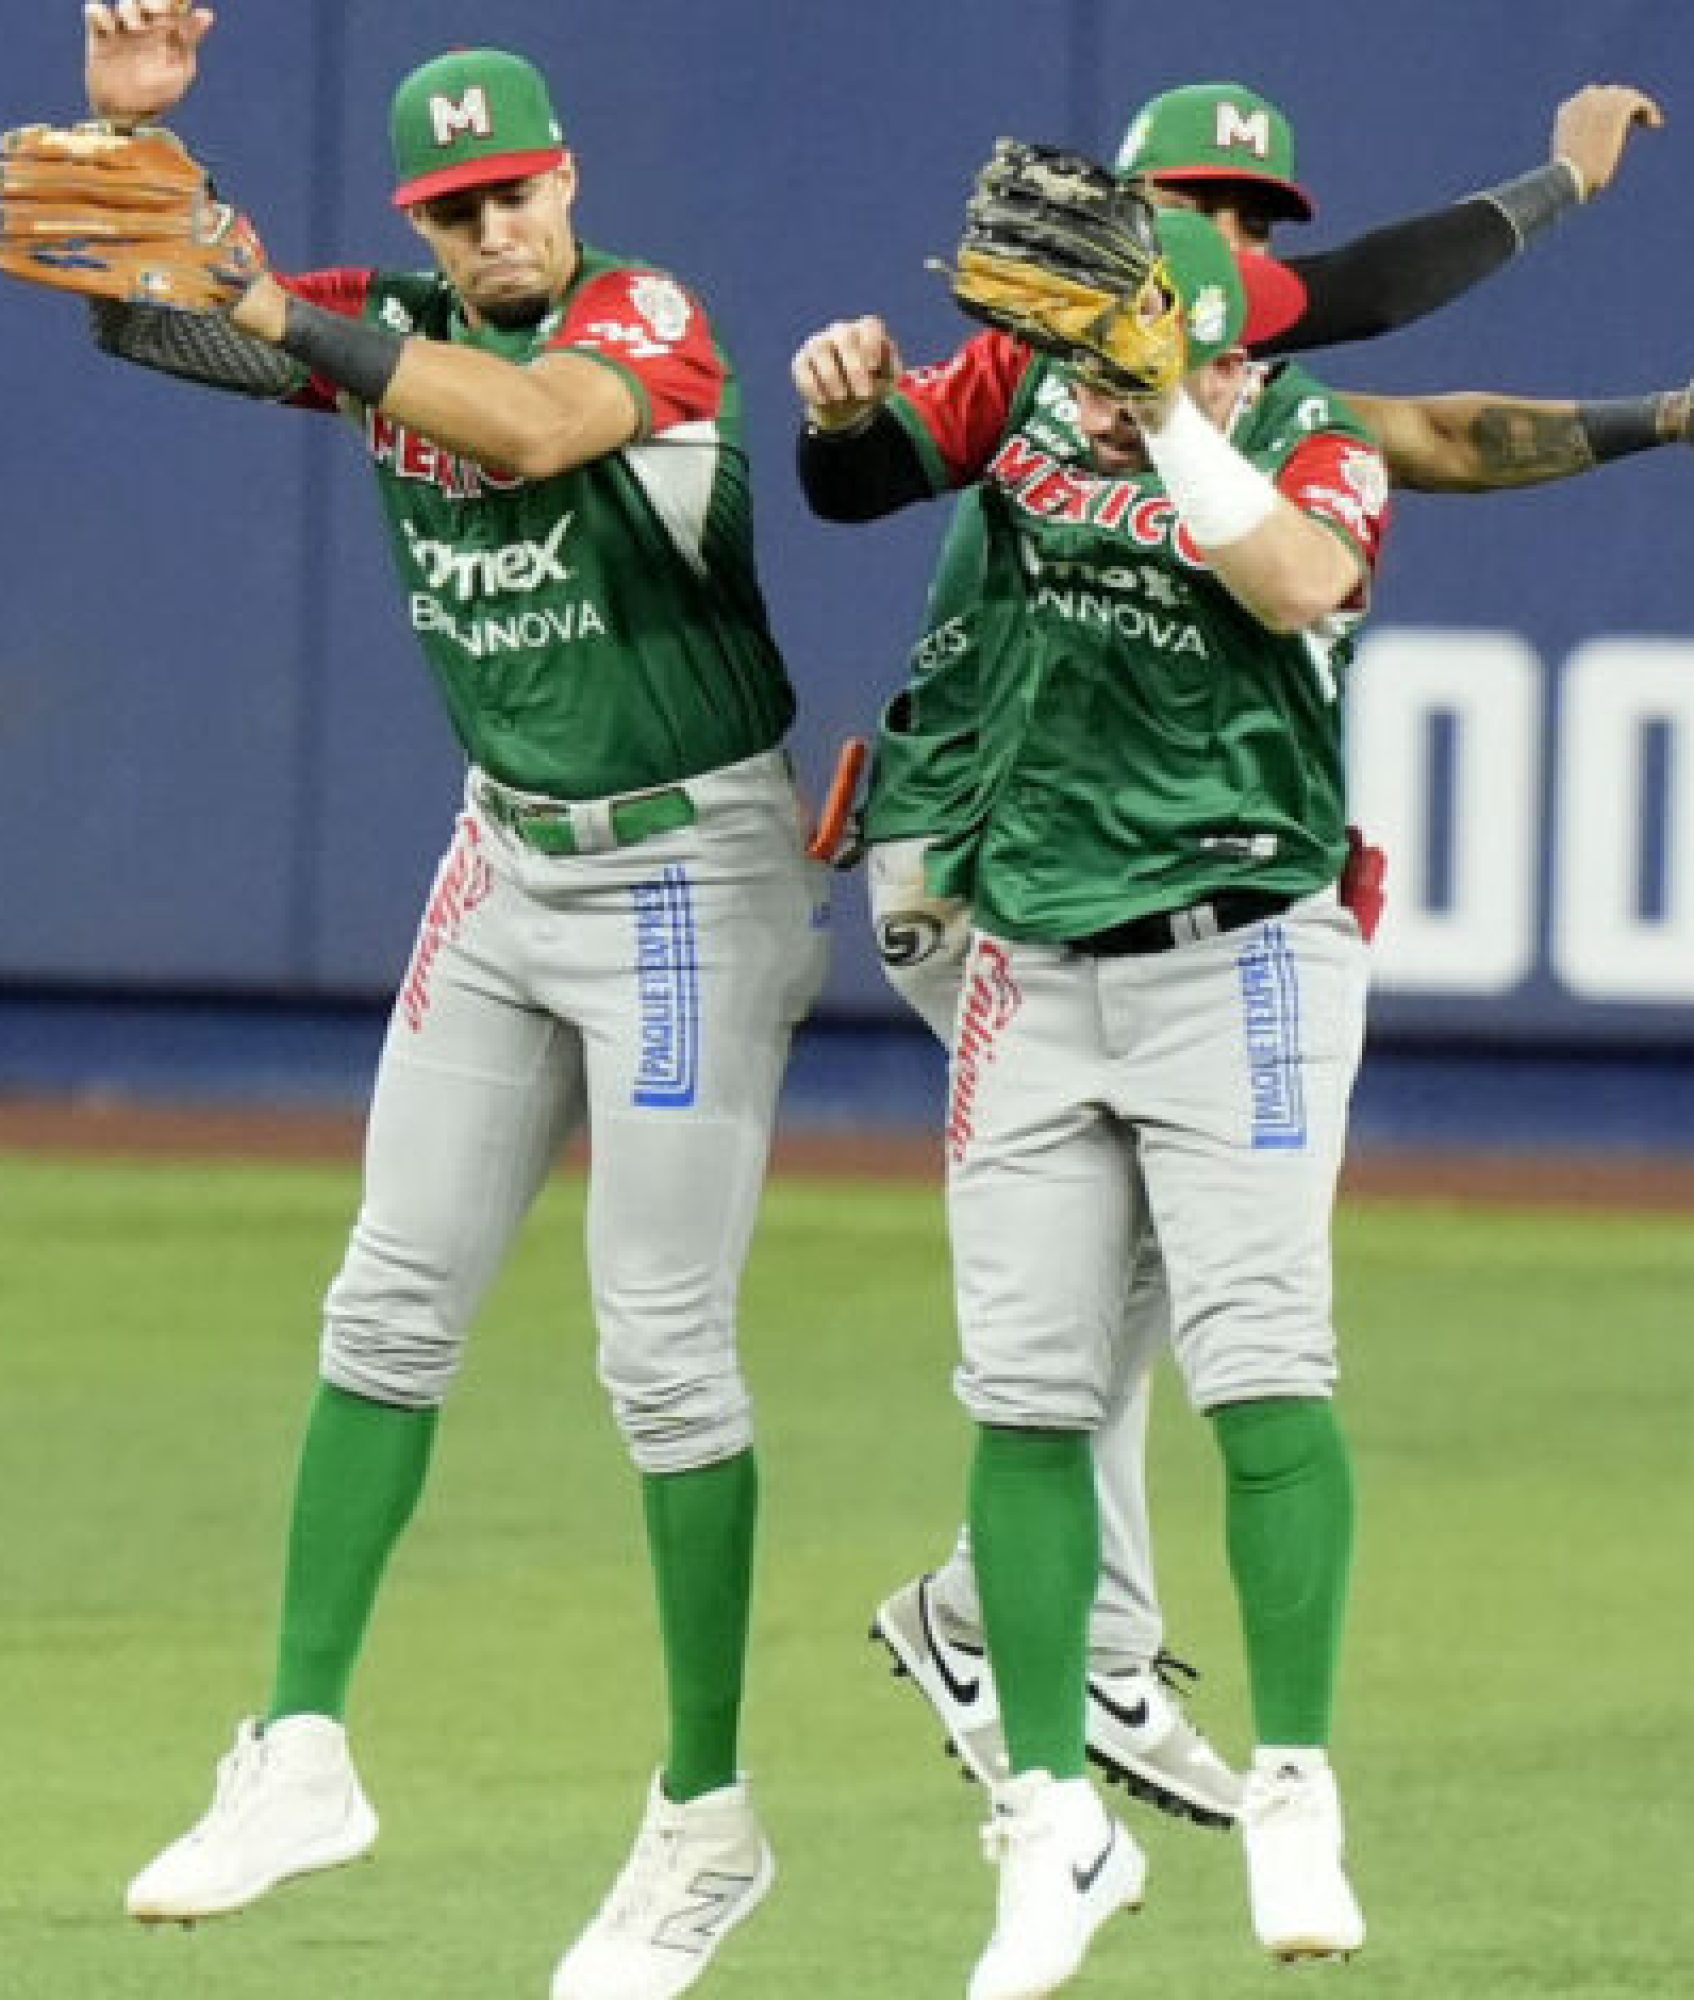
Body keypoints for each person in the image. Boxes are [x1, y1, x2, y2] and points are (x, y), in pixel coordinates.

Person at [795, 75, 1679, 1833]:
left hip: (1094, 878)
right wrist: (1558, 185)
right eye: (1198, 205)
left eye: (1254, 217)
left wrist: (1659, 411)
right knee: (1096, 1287)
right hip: (983, 867)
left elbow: (1438, 427)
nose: (1231, 242)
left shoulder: (1243, 397)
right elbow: (862, 478)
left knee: (1126, 1280)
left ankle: (1026, 1621)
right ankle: (1057, 1639)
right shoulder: (1031, 372)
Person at [80, 9, 824, 1998]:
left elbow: (534, 428)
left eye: (512, 192)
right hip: (503, 857)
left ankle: (705, 1819)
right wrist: (127, 145)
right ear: (420, 216)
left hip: (686, 870)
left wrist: (282, 306)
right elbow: (149, 321)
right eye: (452, 206)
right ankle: (297, 1752)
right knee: (384, 1305)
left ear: (565, 177)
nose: (491, 228)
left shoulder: (646, 313)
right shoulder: (387, 314)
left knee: (662, 1359)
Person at [798, 201, 1389, 1992]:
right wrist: (844, 410)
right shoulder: (1032, 404)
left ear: (1239, 355)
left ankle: (1294, 1784)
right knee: (1027, 1396)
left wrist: (1177, 414)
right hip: (1036, 958)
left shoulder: (1314, 443)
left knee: (1261, 1365)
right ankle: (1049, 1816)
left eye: (1183, 357)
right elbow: (860, 482)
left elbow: (1292, 581)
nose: (1127, 391)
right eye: (1117, 359)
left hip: (1243, 951)